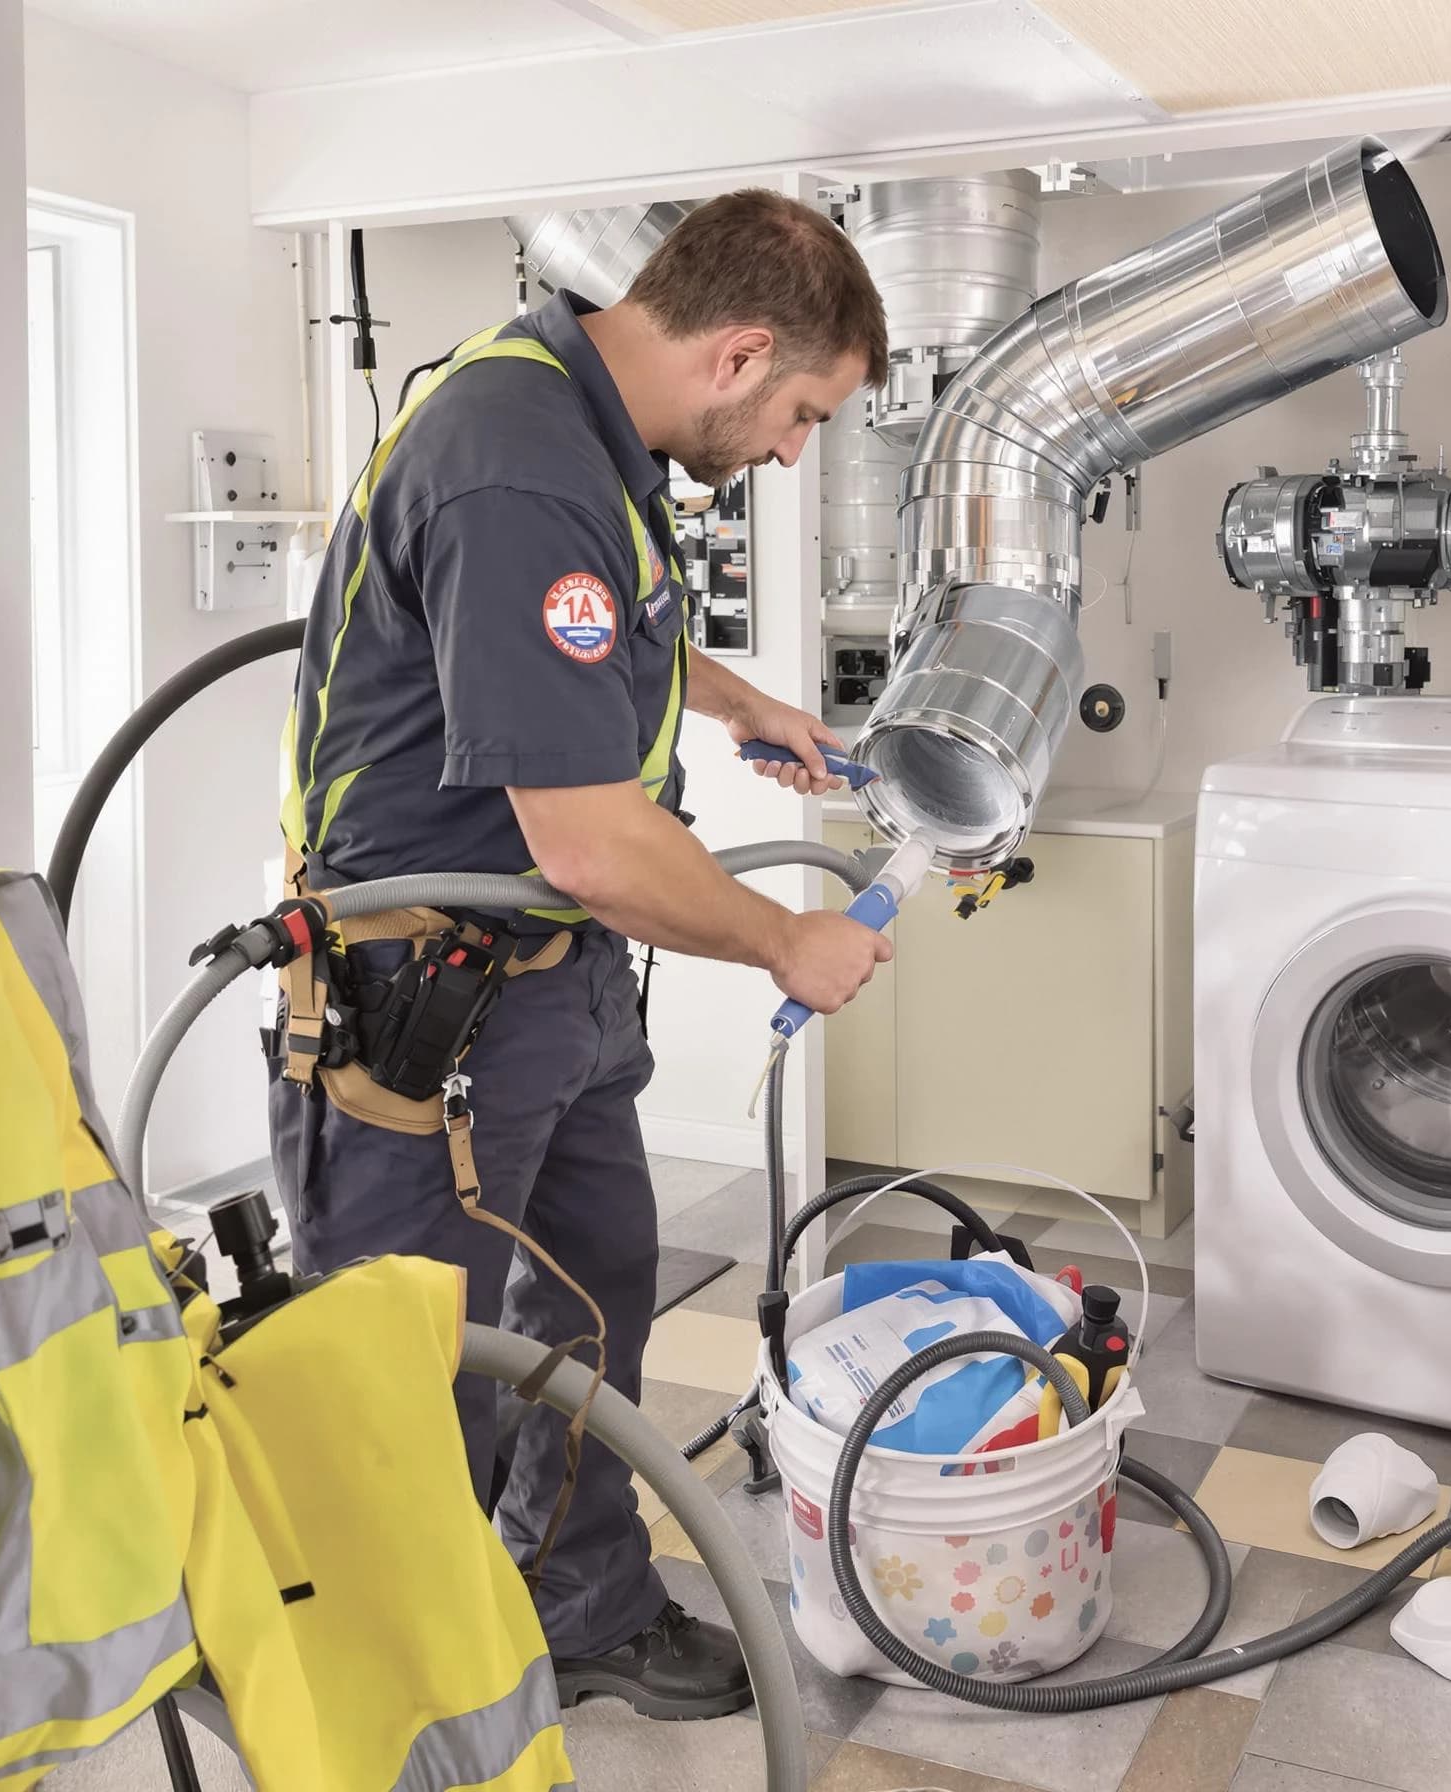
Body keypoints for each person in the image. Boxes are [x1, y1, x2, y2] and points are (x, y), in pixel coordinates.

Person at [269, 190, 892, 1720]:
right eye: (803, 412)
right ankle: (394, 1681)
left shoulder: (575, 422)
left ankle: (582, 1604)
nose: (794, 449)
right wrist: (783, 943)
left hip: (555, 990)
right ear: (740, 353)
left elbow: (596, 628)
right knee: (405, 1363)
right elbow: (593, 846)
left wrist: (739, 705)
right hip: (423, 1010)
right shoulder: (515, 460)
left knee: (596, 1295)